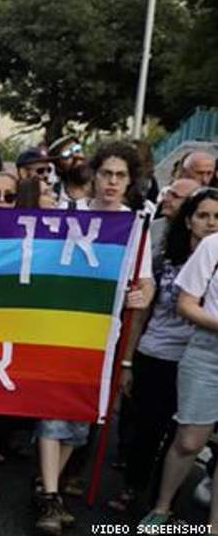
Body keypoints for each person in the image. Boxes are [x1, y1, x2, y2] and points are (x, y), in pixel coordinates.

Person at [36, 141, 155, 536]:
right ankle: (52, 496)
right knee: (53, 409)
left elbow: (146, 279)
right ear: (95, 175)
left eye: (121, 176)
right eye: (107, 173)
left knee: (80, 416)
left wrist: (143, 293)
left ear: (131, 181)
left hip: (103, 335)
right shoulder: (70, 214)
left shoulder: (135, 226)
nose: (113, 182)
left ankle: (48, 483)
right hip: (62, 328)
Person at [109, 188, 218, 514]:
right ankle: (135, 489)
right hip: (160, 356)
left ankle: (167, 502)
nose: (211, 223)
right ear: (187, 220)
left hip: (199, 355)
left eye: (217, 217)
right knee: (150, 430)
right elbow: (141, 314)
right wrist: (127, 362)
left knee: (184, 437)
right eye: (203, 215)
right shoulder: (163, 262)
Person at [139, 218, 218, 531]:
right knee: (188, 441)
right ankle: (163, 507)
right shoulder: (213, 246)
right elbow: (186, 305)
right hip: (208, 350)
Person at [151, 179, 202, 256]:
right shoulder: (152, 227)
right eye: (167, 194)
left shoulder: (198, 232)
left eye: (175, 196)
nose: (166, 199)